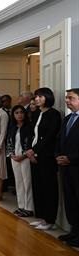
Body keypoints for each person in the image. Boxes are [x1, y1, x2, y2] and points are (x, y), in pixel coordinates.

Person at [25, 87, 61, 230]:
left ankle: (50, 220)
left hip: (46, 156)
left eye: (40, 96)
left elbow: (50, 136)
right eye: (36, 96)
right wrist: (29, 150)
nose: (37, 99)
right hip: (33, 155)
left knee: (49, 187)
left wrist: (34, 150)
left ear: (48, 97)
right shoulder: (36, 113)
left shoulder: (54, 114)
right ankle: (41, 217)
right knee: (37, 186)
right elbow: (31, 133)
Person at [56, 88, 79, 247]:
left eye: (71, 98)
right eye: (66, 98)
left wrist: (71, 158)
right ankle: (74, 232)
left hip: (77, 166)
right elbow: (60, 140)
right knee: (70, 201)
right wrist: (58, 155)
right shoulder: (68, 118)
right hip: (65, 168)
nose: (67, 101)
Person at [6, 105, 34, 217]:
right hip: (15, 158)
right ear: (13, 115)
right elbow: (8, 142)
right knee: (19, 182)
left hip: (25, 158)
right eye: (16, 113)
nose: (19, 115)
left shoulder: (29, 127)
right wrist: (12, 155)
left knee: (27, 182)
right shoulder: (12, 127)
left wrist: (23, 155)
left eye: (21, 112)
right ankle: (21, 206)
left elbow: (30, 143)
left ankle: (29, 208)